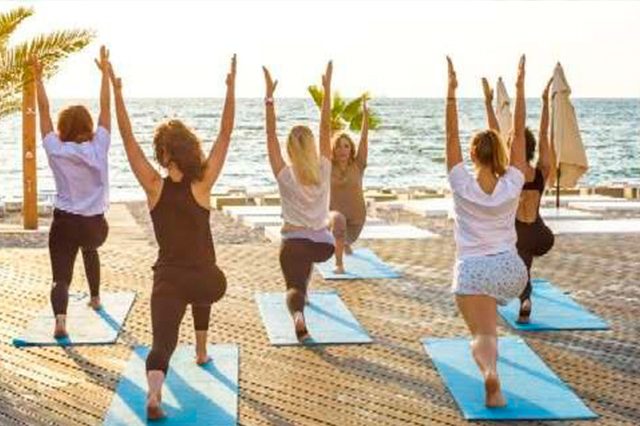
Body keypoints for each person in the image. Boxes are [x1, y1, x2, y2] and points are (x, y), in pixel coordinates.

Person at [109, 54, 235, 420]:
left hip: (167, 279)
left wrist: (117, 93)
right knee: (208, 276)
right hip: (207, 281)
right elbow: (226, 134)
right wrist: (230, 89)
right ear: (189, 149)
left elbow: (128, 139)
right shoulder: (202, 183)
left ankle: (153, 394)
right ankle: (201, 350)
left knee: (162, 343)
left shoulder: (153, 186)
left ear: (164, 155)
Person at [445, 56, 529, 407]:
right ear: (503, 153)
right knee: (490, 322)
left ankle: (490, 374)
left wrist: (451, 92)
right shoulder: (513, 181)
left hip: (475, 269)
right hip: (512, 270)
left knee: (482, 334)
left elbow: (449, 134)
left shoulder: (461, 182)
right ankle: (493, 375)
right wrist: (521, 85)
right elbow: (519, 131)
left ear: (471, 154)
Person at [33, 46, 112, 339]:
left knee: (61, 277)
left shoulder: (56, 149)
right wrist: (105, 75)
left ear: (64, 128)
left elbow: (43, 111)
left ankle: (61, 322)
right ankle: (95, 297)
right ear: (89, 126)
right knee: (89, 248)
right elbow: (106, 108)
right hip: (95, 228)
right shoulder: (99, 145)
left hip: (65, 223)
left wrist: (38, 79)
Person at [262, 62, 335, 341]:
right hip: (324, 246)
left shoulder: (284, 175)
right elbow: (326, 126)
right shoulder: (324, 169)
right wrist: (327, 90)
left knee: (293, 287)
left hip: (293, 243)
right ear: (313, 147)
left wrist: (269, 98)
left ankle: (298, 315)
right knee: (305, 266)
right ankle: (306, 289)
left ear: (289, 150)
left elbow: (269, 136)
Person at [482, 77, 555, 323]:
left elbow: (493, 135)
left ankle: (523, 298)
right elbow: (544, 133)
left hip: (517, 233)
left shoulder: (507, 174)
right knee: (522, 264)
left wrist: (487, 103)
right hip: (541, 234)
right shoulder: (542, 171)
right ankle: (519, 296)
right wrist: (546, 103)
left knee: (506, 258)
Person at [328, 98, 369, 274]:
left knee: (343, 232)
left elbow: (364, 139)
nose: (342, 150)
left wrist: (365, 117)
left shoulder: (358, 164)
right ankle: (339, 263)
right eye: (338, 147)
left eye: (346, 146)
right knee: (338, 221)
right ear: (333, 150)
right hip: (333, 218)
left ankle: (345, 244)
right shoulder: (327, 166)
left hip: (356, 219)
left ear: (351, 149)